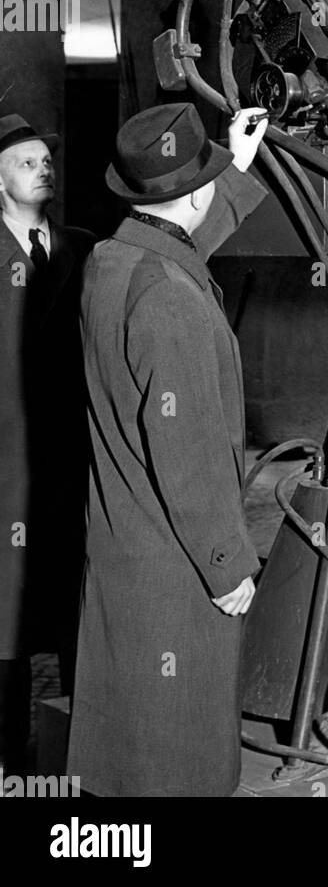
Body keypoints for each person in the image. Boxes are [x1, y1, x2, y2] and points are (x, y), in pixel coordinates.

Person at [67, 102, 269, 797]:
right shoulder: (172, 302)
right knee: (180, 750)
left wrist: (232, 167)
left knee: (126, 742)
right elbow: (188, 455)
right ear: (190, 195)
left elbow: (175, 246)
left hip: (124, 542)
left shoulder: (112, 259)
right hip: (175, 560)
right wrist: (226, 563)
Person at [0, 113, 93, 774]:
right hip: (5, 470)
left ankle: (75, 752)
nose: (45, 169)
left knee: (71, 613)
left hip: (69, 465)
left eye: (47, 160)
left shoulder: (84, 249)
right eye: (28, 160)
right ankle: (8, 755)